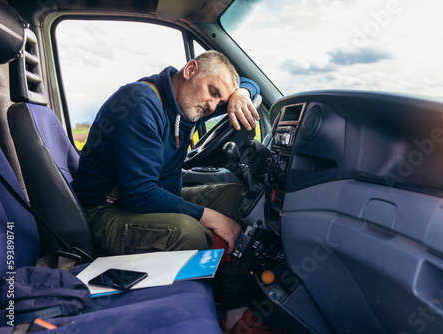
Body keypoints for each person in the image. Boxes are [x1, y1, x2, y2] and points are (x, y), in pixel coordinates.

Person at [73, 51, 286, 334]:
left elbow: (252, 83)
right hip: (106, 210)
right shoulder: (140, 102)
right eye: (212, 93)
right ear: (190, 70)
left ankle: (233, 306)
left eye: (220, 100)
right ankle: (214, 305)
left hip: (151, 198)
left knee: (241, 198)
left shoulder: (191, 100)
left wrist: (240, 95)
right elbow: (139, 193)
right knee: (191, 231)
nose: (213, 107)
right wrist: (210, 217)